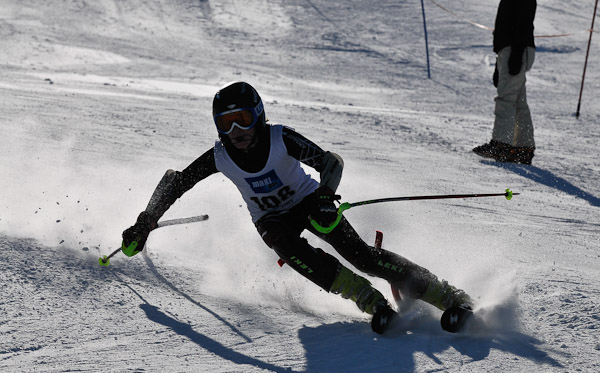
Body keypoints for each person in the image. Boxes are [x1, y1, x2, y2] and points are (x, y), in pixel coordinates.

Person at [122, 81, 473, 334]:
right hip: (272, 219)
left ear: (258, 115)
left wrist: (324, 197)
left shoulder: (280, 138)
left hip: (309, 202)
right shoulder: (221, 156)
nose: (237, 130)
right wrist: (145, 221)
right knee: (284, 244)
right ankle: (369, 300)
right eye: (226, 124)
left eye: (242, 118)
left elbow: (330, 163)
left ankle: (448, 296)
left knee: (362, 256)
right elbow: (176, 180)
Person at [473, 0, 537, 165]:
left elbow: (523, 21)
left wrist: (515, 54)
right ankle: (523, 148)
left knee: (506, 99)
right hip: (512, 49)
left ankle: (501, 145)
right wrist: (499, 63)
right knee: (518, 101)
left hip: (516, 49)